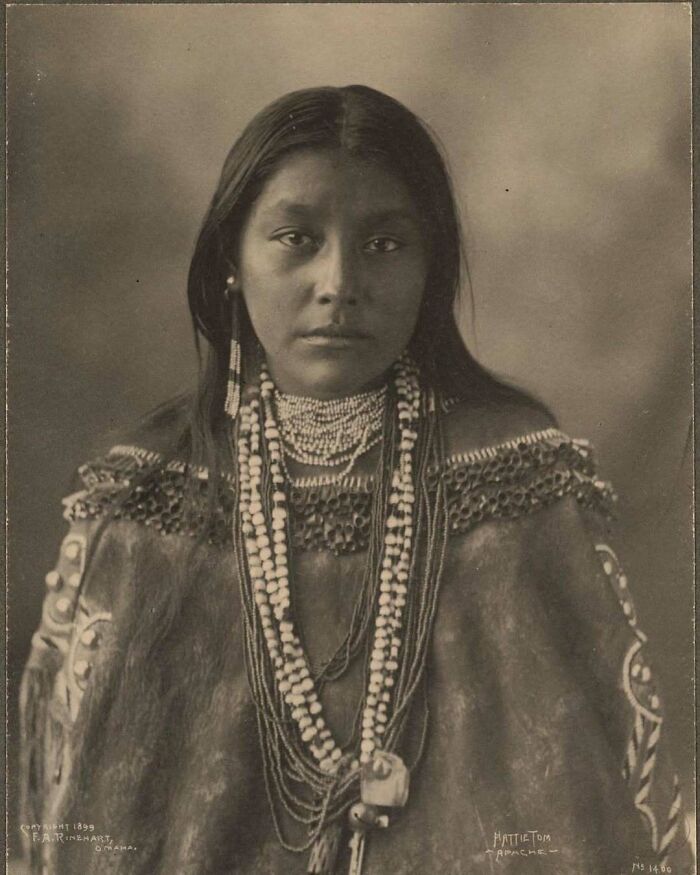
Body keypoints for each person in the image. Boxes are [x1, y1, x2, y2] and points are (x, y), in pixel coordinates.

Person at [19, 85, 693, 875]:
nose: (339, 281)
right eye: (297, 237)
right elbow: (65, 812)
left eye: (383, 244)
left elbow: (605, 808)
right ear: (231, 263)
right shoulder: (142, 507)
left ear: (430, 268)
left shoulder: (519, 482)